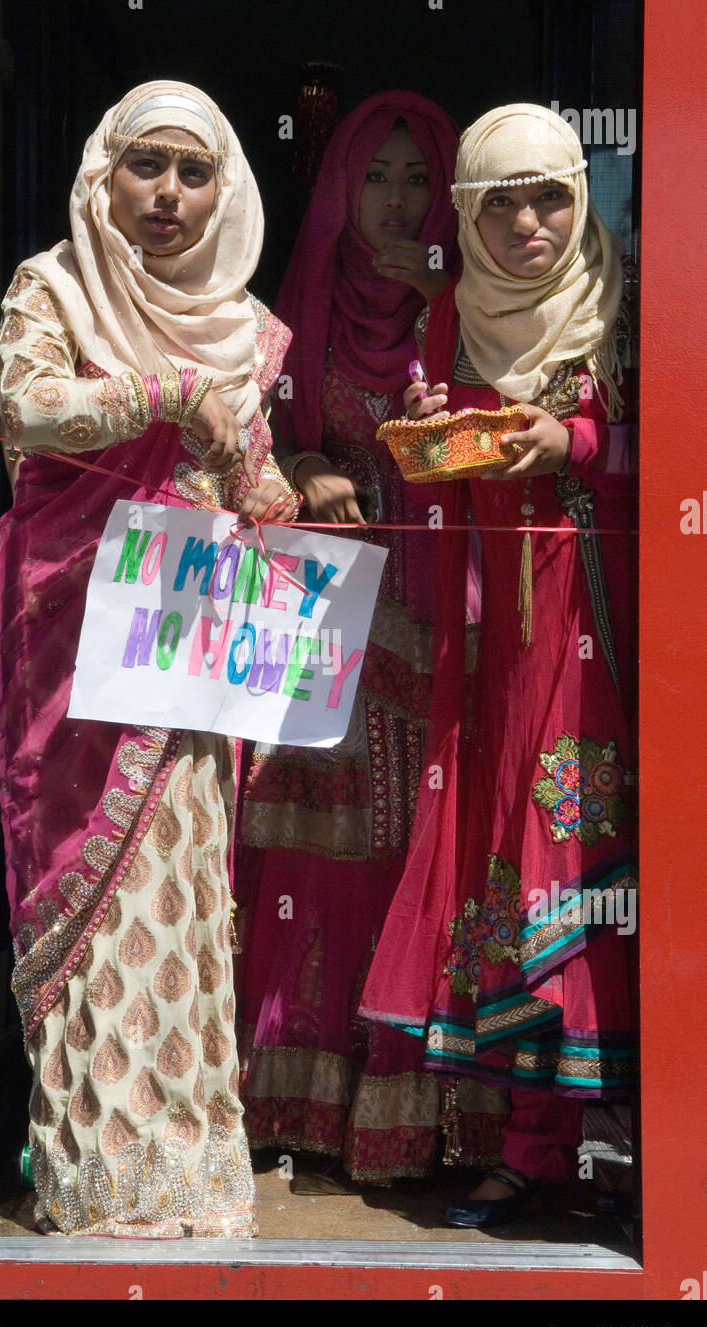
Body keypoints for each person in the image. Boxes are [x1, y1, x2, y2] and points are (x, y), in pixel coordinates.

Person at [0, 81, 299, 1238]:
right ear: (101, 174)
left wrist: (308, 514)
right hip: (74, 634)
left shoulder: (244, 323)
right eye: (146, 168)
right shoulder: (54, 285)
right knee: (91, 886)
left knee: (182, 886)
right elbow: (28, 408)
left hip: (190, 633)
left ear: (226, 192)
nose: (167, 196)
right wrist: (171, 392)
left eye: (193, 173)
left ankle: (187, 1170)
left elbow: (248, 473)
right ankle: (97, 1175)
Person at [359, 103, 637, 1225]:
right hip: (501, 648)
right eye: (500, 202)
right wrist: (425, 436)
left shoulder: (624, 314)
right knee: (515, 866)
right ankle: (539, 1147)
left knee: (600, 860)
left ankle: (644, 1140)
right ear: (466, 216)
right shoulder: (448, 327)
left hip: (613, 634)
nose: (529, 223)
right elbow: (440, 480)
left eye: (551, 196)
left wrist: (572, 441)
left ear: (581, 200)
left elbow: (677, 446)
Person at [235, 92, 464, 1185]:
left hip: (437, 638)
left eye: (418, 178)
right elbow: (246, 443)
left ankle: (414, 1119)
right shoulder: (297, 313)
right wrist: (296, 469)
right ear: (336, 189)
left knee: (418, 847)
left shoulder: (471, 306)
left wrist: (448, 307)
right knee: (311, 864)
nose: (396, 201)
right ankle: (299, 1107)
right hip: (322, 637)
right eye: (375, 176)